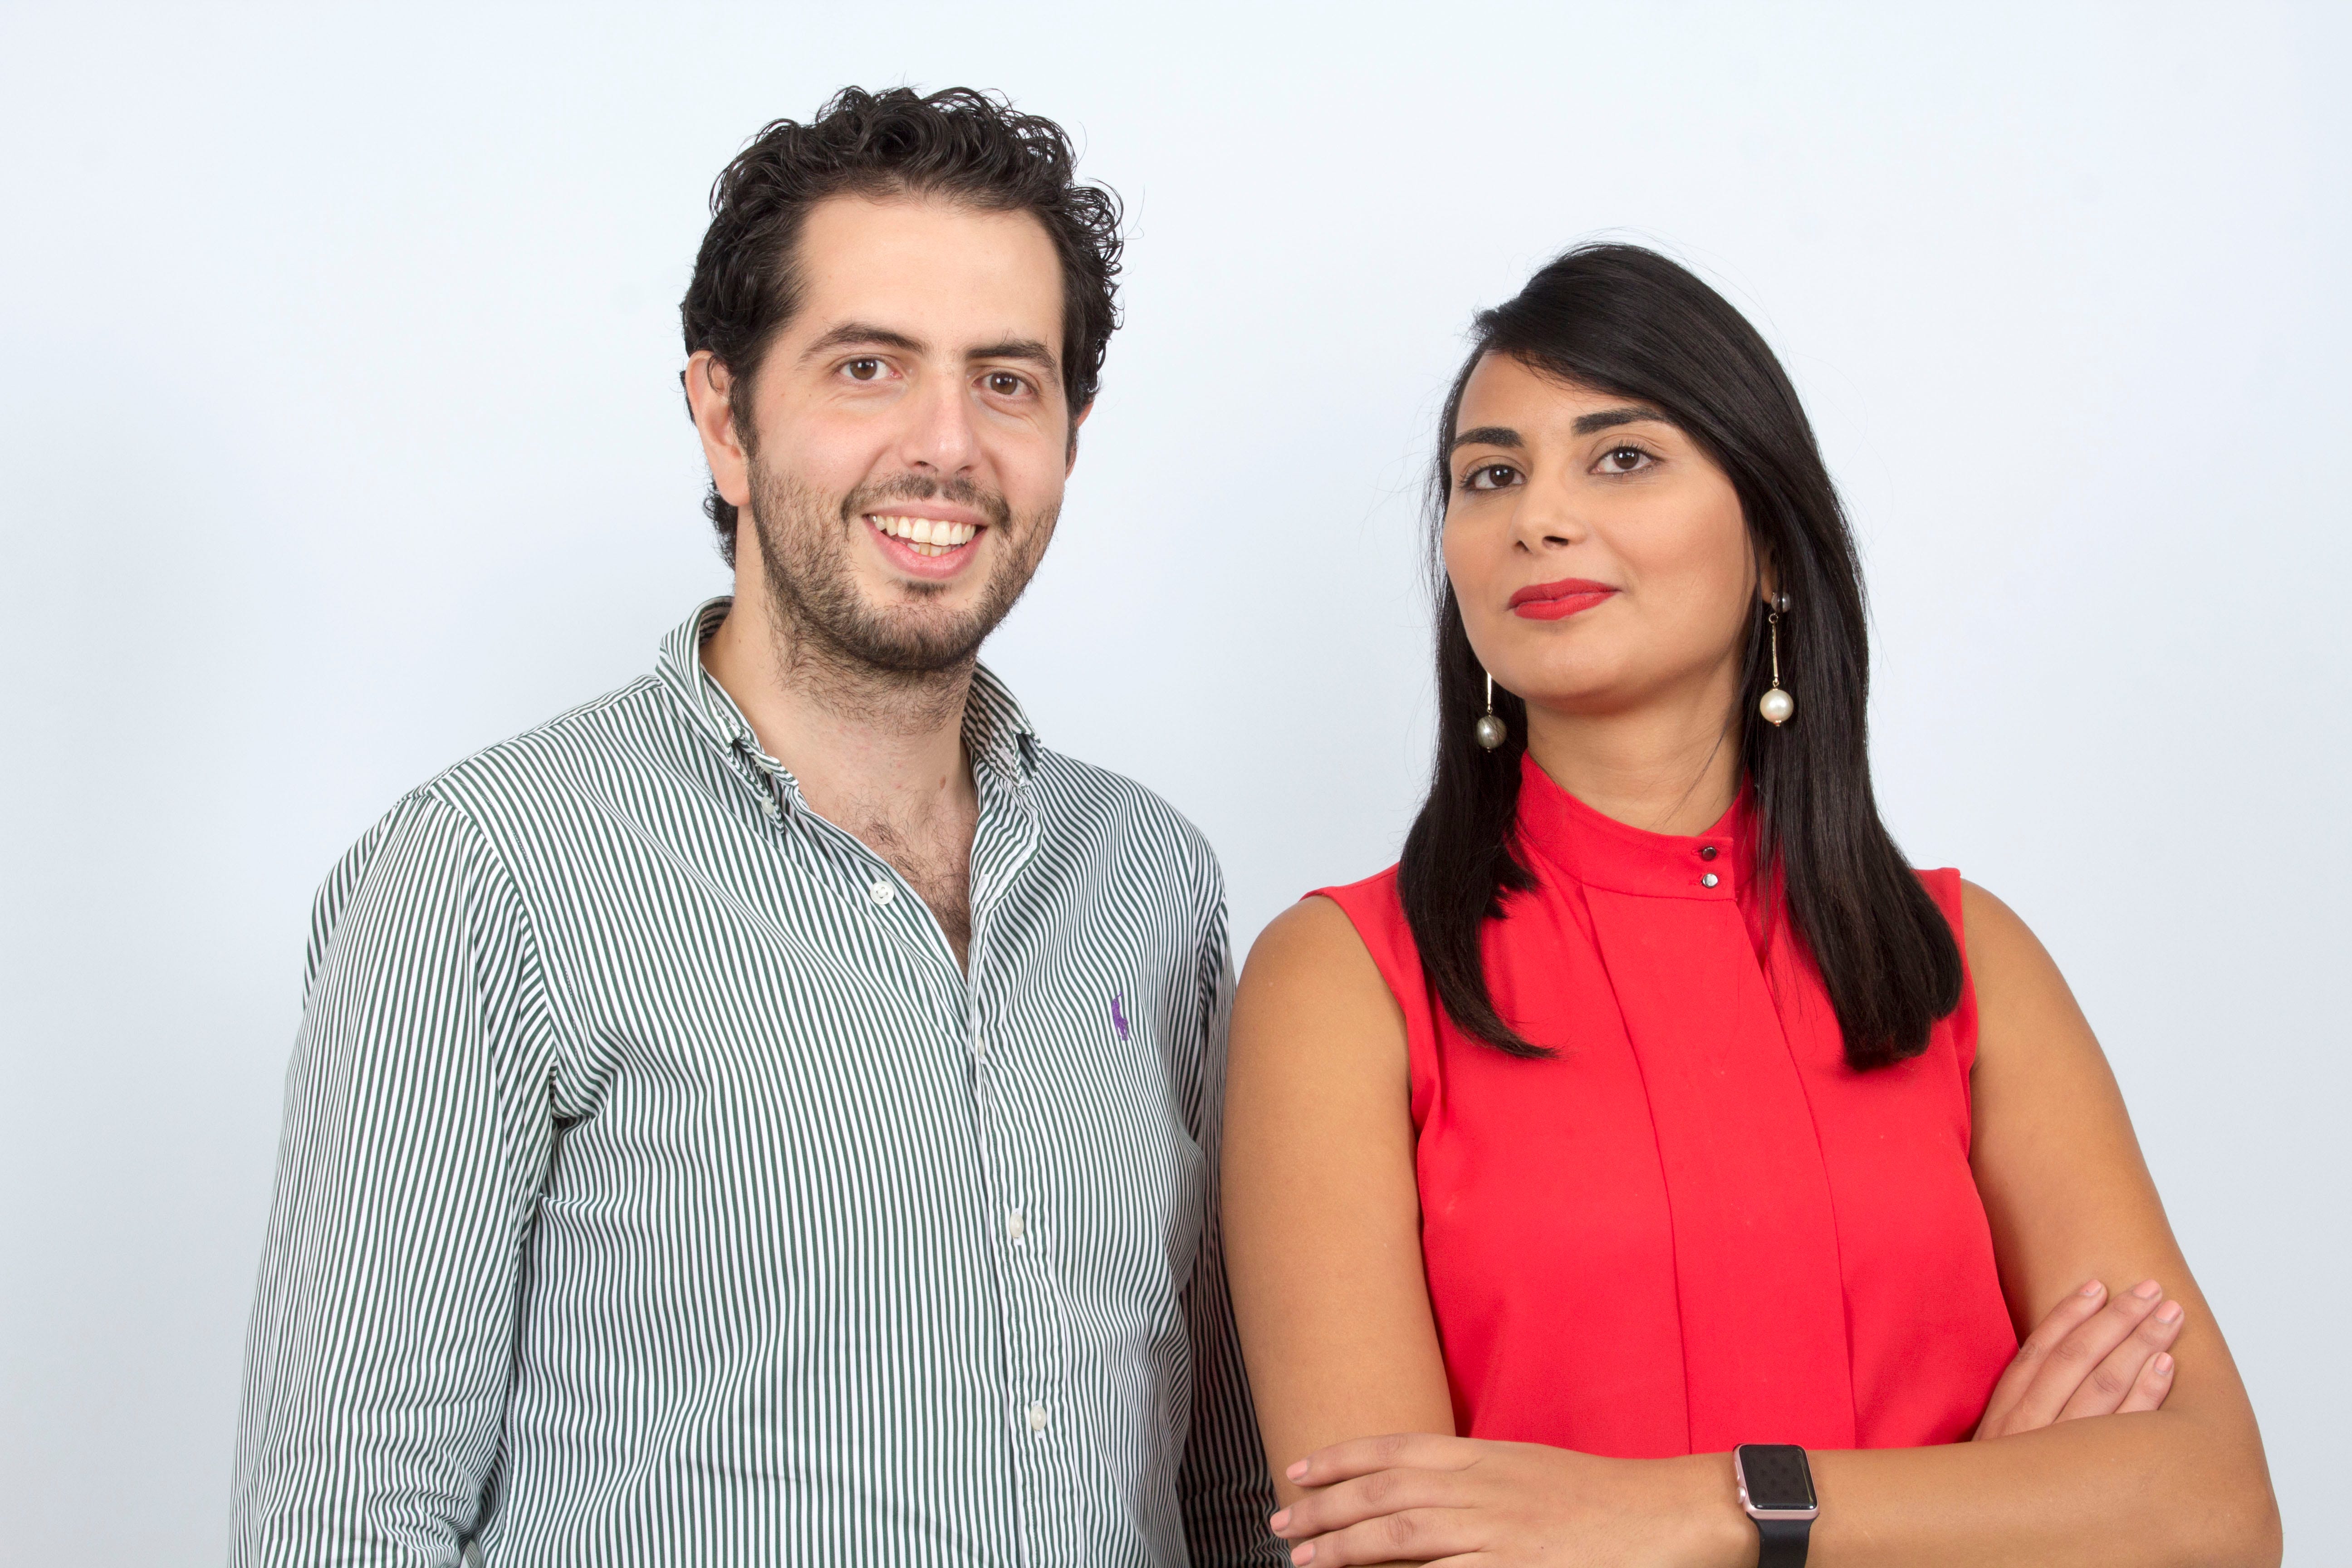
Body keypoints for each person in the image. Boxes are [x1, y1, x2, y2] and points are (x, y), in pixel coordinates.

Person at [229, 87, 1278, 1566]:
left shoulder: (1153, 877)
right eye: (868, 367)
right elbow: (346, 1522)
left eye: (1007, 380)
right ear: (726, 417)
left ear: (1070, 433)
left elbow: (1230, 1499)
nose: (947, 446)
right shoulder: (484, 874)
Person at [1221, 245, 2280, 1567]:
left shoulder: (1966, 961)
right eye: (1490, 475)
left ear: (1772, 544)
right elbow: (1390, 1546)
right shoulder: (1341, 981)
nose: (1538, 516)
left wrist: (1685, 1513)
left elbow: (2215, 1511)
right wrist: (1986, 1508)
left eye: (1621, 457)